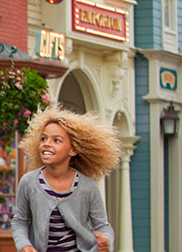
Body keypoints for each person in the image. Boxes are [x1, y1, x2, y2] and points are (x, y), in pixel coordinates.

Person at [12, 105, 121, 252]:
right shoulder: (29, 182)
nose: (47, 144)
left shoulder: (88, 186)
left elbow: (103, 226)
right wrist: (25, 245)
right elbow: (20, 221)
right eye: (43, 138)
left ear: (73, 150)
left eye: (56, 140)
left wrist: (105, 242)